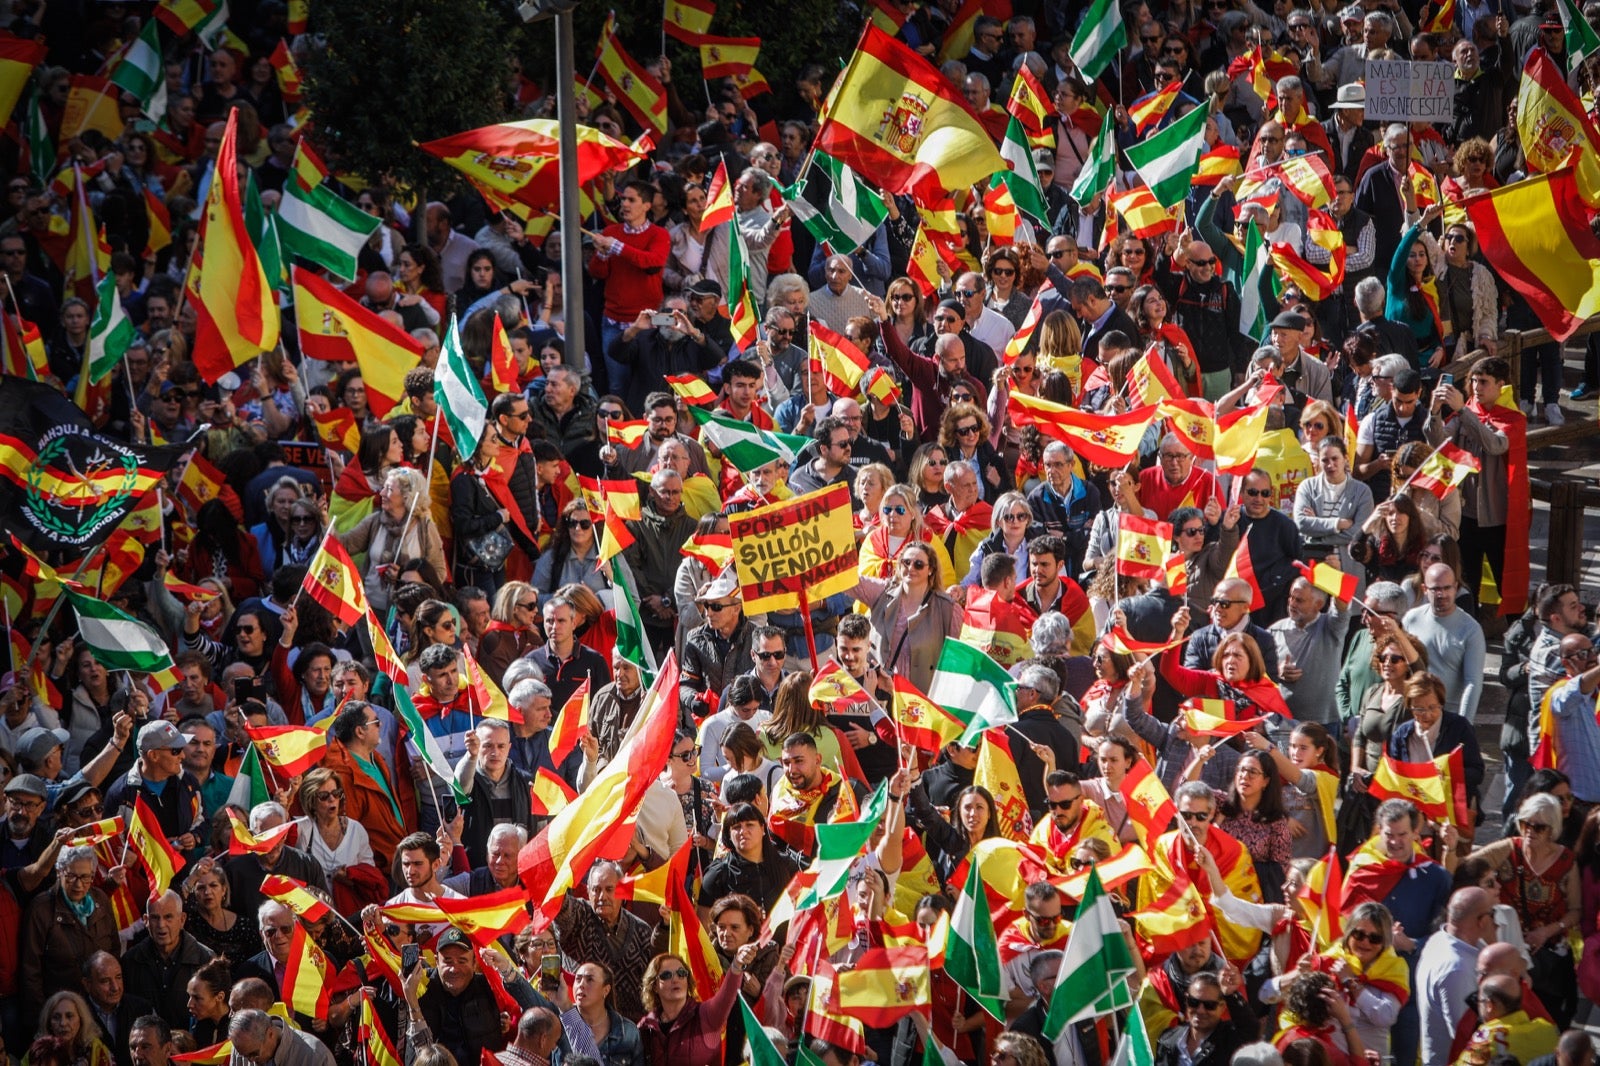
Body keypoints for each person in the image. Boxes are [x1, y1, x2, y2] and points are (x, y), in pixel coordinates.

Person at [20, 846, 121, 1023]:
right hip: (61, 1014)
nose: (78, 884)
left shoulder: (101, 900)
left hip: (100, 1010)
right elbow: (30, 971)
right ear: (59, 872)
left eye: (85, 877)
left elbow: (113, 949)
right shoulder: (41, 909)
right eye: (71, 876)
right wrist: (43, 1017)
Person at [1415, 888, 1497, 1066]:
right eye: (1493, 913)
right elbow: (1465, 1034)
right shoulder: (1456, 969)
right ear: (1482, 921)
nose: (1496, 920)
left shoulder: (1439, 939)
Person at [638, 946, 757, 1066]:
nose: (676, 979)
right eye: (667, 975)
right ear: (654, 986)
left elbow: (726, 997)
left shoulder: (705, 1015)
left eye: (681, 973)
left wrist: (737, 965)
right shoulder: (646, 1027)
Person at [117, 891, 214, 1031]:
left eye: (168, 917)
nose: (161, 925)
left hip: (192, 1047)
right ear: (146, 920)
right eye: (155, 918)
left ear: (182, 920)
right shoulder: (130, 961)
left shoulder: (206, 959)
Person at [1401, 563, 1486, 722]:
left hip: (1449, 716)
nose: (1442, 594)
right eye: (1435, 589)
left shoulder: (1471, 630)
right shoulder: (1411, 619)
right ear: (1425, 589)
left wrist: (1463, 725)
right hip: (1413, 714)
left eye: (1447, 588)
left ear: (1456, 588)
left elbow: (1473, 684)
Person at [1152, 969, 1257, 1066]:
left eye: (1209, 1005)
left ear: (1222, 1007)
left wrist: (1230, 994)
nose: (1200, 1010)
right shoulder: (1167, 1038)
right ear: (1186, 1000)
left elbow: (1251, 1028)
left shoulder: (1230, 1038)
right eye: (1194, 1002)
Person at [226, 1008, 335, 1066]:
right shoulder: (241, 1048)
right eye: (244, 1056)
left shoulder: (315, 1056)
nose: (250, 1061)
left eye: (253, 1054)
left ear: (270, 1034)